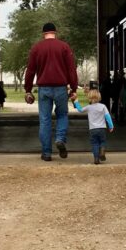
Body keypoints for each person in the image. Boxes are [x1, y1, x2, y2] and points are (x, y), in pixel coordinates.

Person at [24, 21, 79, 161]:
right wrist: (73, 87)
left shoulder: (36, 48)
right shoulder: (64, 47)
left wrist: (28, 90)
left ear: (43, 34)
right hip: (61, 88)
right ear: (55, 33)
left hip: (44, 89)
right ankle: (60, 139)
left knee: (45, 120)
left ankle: (46, 153)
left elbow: (30, 70)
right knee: (62, 115)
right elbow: (71, 69)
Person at [72, 87, 114, 164]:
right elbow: (107, 116)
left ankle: (96, 159)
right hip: (102, 128)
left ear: (89, 98)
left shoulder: (89, 107)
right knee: (102, 142)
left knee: (95, 144)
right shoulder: (103, 106)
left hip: (93, 129)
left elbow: (80, 110)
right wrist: (111, 126)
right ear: (99, 97)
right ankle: (102, 151)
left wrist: (76, 101)